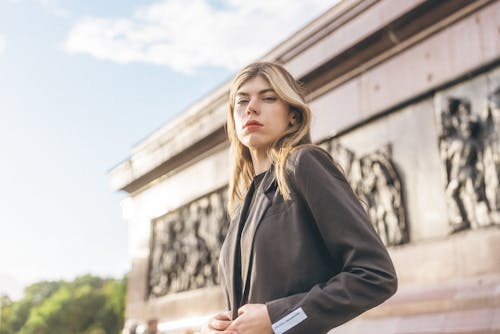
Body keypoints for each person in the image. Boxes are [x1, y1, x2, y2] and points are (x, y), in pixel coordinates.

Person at [201, 62, 398, 334]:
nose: (252, 107)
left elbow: (376, 276)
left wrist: (278, 319)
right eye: (241, 100)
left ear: (292, 115)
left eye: (268, 98)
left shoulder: (303, 163)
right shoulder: (242, 206)